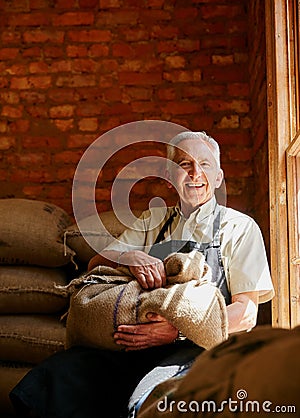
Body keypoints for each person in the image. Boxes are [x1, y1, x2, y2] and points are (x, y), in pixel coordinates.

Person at [10, 131, 274, 418]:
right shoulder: (154, 220)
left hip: (200, 348)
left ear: (219, 177)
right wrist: (127, 256)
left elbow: (246, 313)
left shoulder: (239, 227)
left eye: (205, 164)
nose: (195, 173)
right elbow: (97, 264)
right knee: (58, 376)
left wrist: (178, 330)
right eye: (184, 164)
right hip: (140, 344)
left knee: (148, 399)